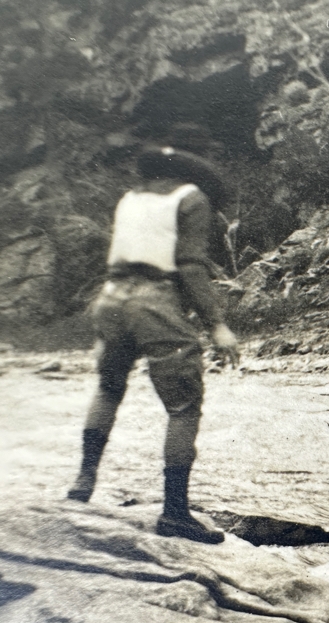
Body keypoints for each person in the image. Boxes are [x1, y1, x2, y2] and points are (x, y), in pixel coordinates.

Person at [67, 145, 240, 545]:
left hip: (110, 298)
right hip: (155, 301)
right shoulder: (191, 198)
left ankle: (83, 481)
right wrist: (217, 325)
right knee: (183, 407)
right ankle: (176, 514)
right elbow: (191, 266)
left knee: (109, 388)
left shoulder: (130, 198)